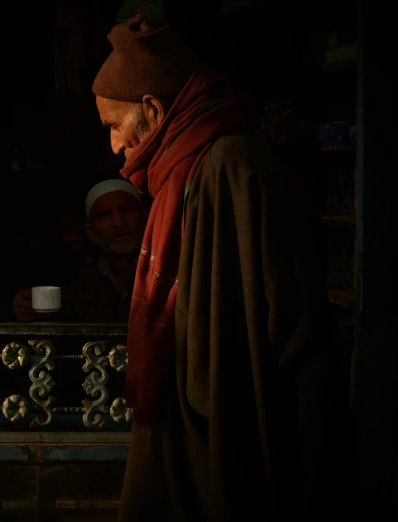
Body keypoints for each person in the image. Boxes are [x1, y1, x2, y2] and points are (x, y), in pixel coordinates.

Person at [91, 15, 353, 522]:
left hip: (234, 433)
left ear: (151, 109)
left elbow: (260, 339)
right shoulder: (186, 170)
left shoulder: (231, 168)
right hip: (196, 427)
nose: (115, 147)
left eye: (114, 126)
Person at [12, 178, 146, 322]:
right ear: (91, 233)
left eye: (126, 211)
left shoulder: (166, 273)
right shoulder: (76, 282)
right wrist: (27, 311)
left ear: (145, 220)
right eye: (105, 215)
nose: (119, 223)